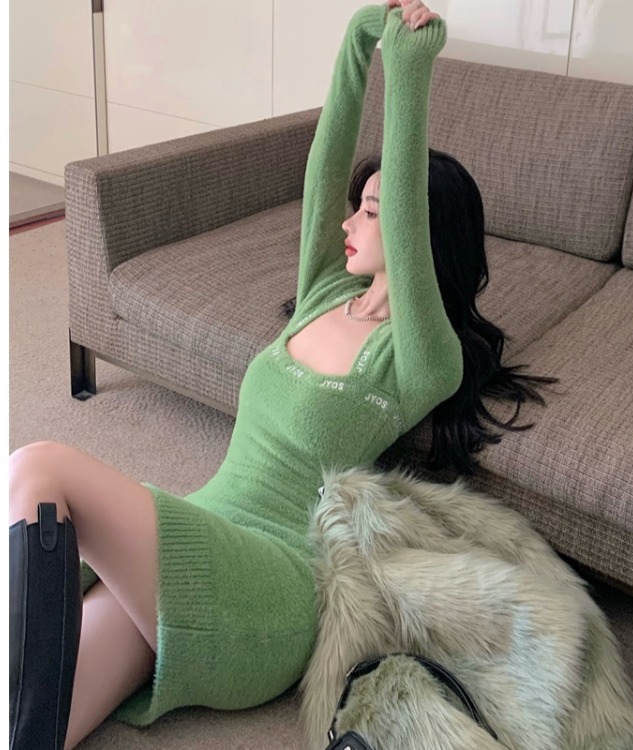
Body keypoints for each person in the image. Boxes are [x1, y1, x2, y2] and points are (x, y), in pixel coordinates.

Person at [8, 2, 554, 748]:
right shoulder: (327, 292)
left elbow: (404, 206)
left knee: (37, 468)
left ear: (413, 231)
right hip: (196, 538)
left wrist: (410, 67)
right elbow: (323, 169)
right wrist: (359, 41)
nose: (348, 223)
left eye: (370, 213)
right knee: (30, 713)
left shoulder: (423, 356)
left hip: (270, 589)